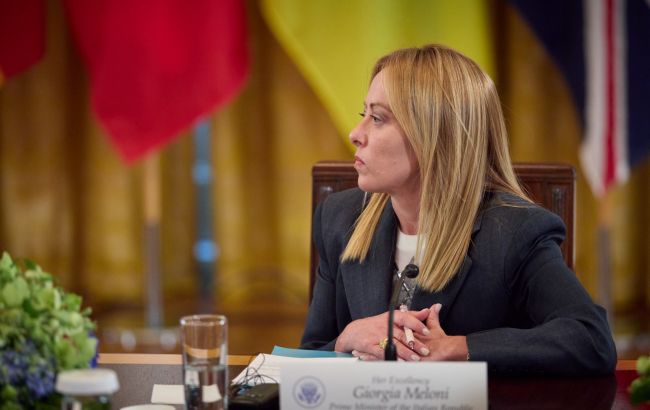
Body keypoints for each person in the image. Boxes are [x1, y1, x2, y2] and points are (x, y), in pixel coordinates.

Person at [300, 44, 617, 376]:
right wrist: (346, 339)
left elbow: (590, 339)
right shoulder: (339, 218)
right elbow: (305, 361)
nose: (355, 134)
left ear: (434, 134)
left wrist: (458, 348)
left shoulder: (515, 233)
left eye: (378, 118)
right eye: (362, 114)